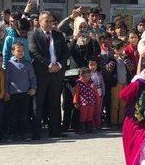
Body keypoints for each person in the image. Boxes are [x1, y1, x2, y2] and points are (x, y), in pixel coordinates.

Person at [28, 11, 69, 139]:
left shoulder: (58, 35)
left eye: (51, 21)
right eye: (47, 21)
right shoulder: (33, 34)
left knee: (54, 102)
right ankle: (37, 133)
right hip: (41, 74)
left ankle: (55, 130)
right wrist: (49, 65)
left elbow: (66, 52)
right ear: (40, 21)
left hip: (57, 74)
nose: (50, 24)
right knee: (39, 103)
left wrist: (59, 65)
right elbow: (34, 52)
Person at [73, 67, 98, 134]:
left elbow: (95, 92)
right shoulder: (79, 84)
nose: (87, 78)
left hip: (91, 103)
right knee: (83, 116)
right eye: (84, 76)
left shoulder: (92, 83)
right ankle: (81, 129)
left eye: (88, 76)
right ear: (81, 76)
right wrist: (75, 102)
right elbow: (76, 94)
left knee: (90, 116)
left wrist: (98, 100)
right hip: (83, 103)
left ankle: (90, 128)